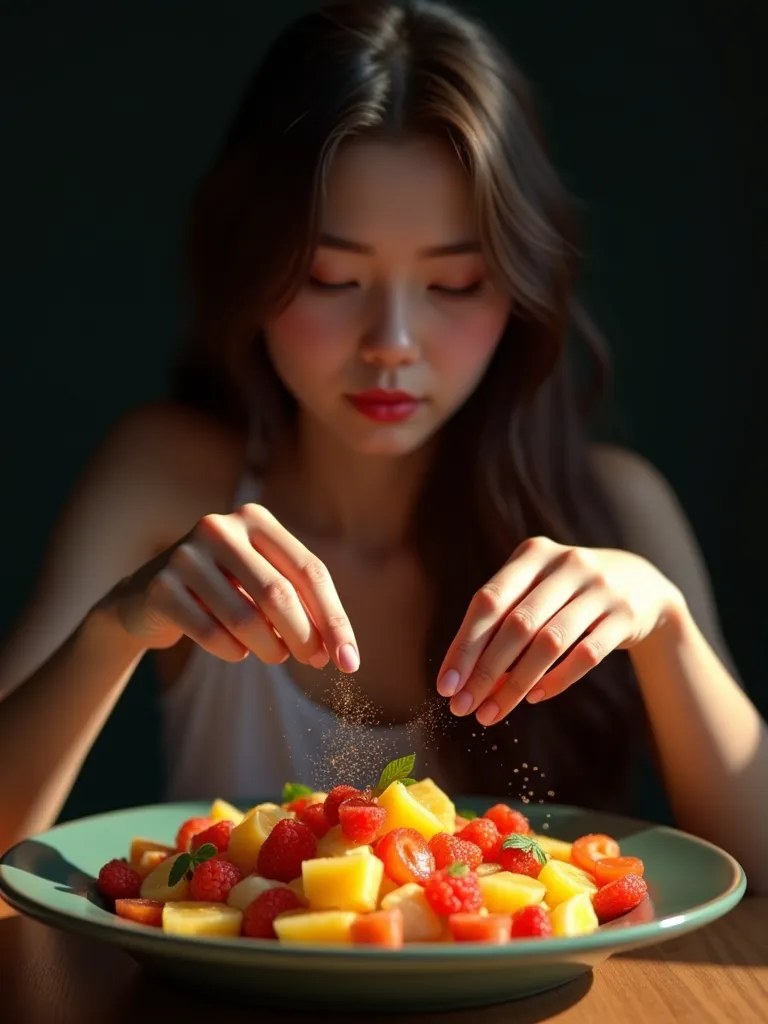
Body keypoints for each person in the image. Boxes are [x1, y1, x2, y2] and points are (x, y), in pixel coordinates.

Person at [0, 0, 766, 890]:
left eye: (454, 282)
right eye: (332, 278)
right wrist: (114, 628)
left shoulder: (616, 510)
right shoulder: (164, 477)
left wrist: (669, 628)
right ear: (255, 268)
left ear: (518, 289)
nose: (392, 341)